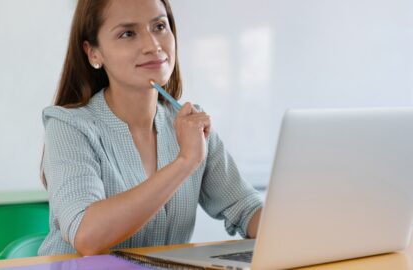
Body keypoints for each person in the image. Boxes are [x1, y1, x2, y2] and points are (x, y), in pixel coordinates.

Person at [38, 0, 263, 256]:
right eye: (128, 33)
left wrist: (303, 229)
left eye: (159, 26)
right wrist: (185, 161)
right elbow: (87, 236)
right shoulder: (69, 126)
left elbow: (246, 208)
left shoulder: (189, 124)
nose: (153, 45)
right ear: (93, 53)